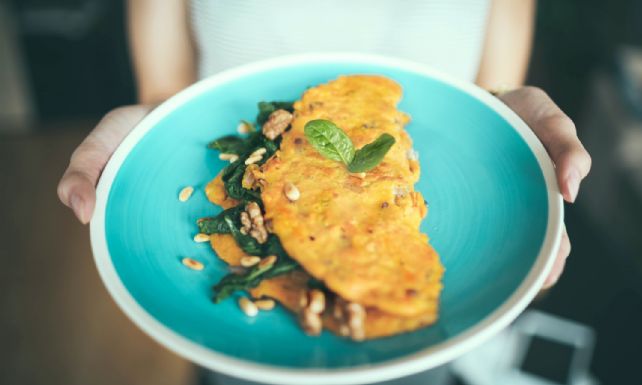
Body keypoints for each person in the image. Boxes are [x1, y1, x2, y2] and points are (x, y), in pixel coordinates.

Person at [57, 0, 591, 382]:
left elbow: (486, 108)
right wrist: (148, 131)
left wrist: (526, 202)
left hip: (423, 311)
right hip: (242, 312)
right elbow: (165, 96)